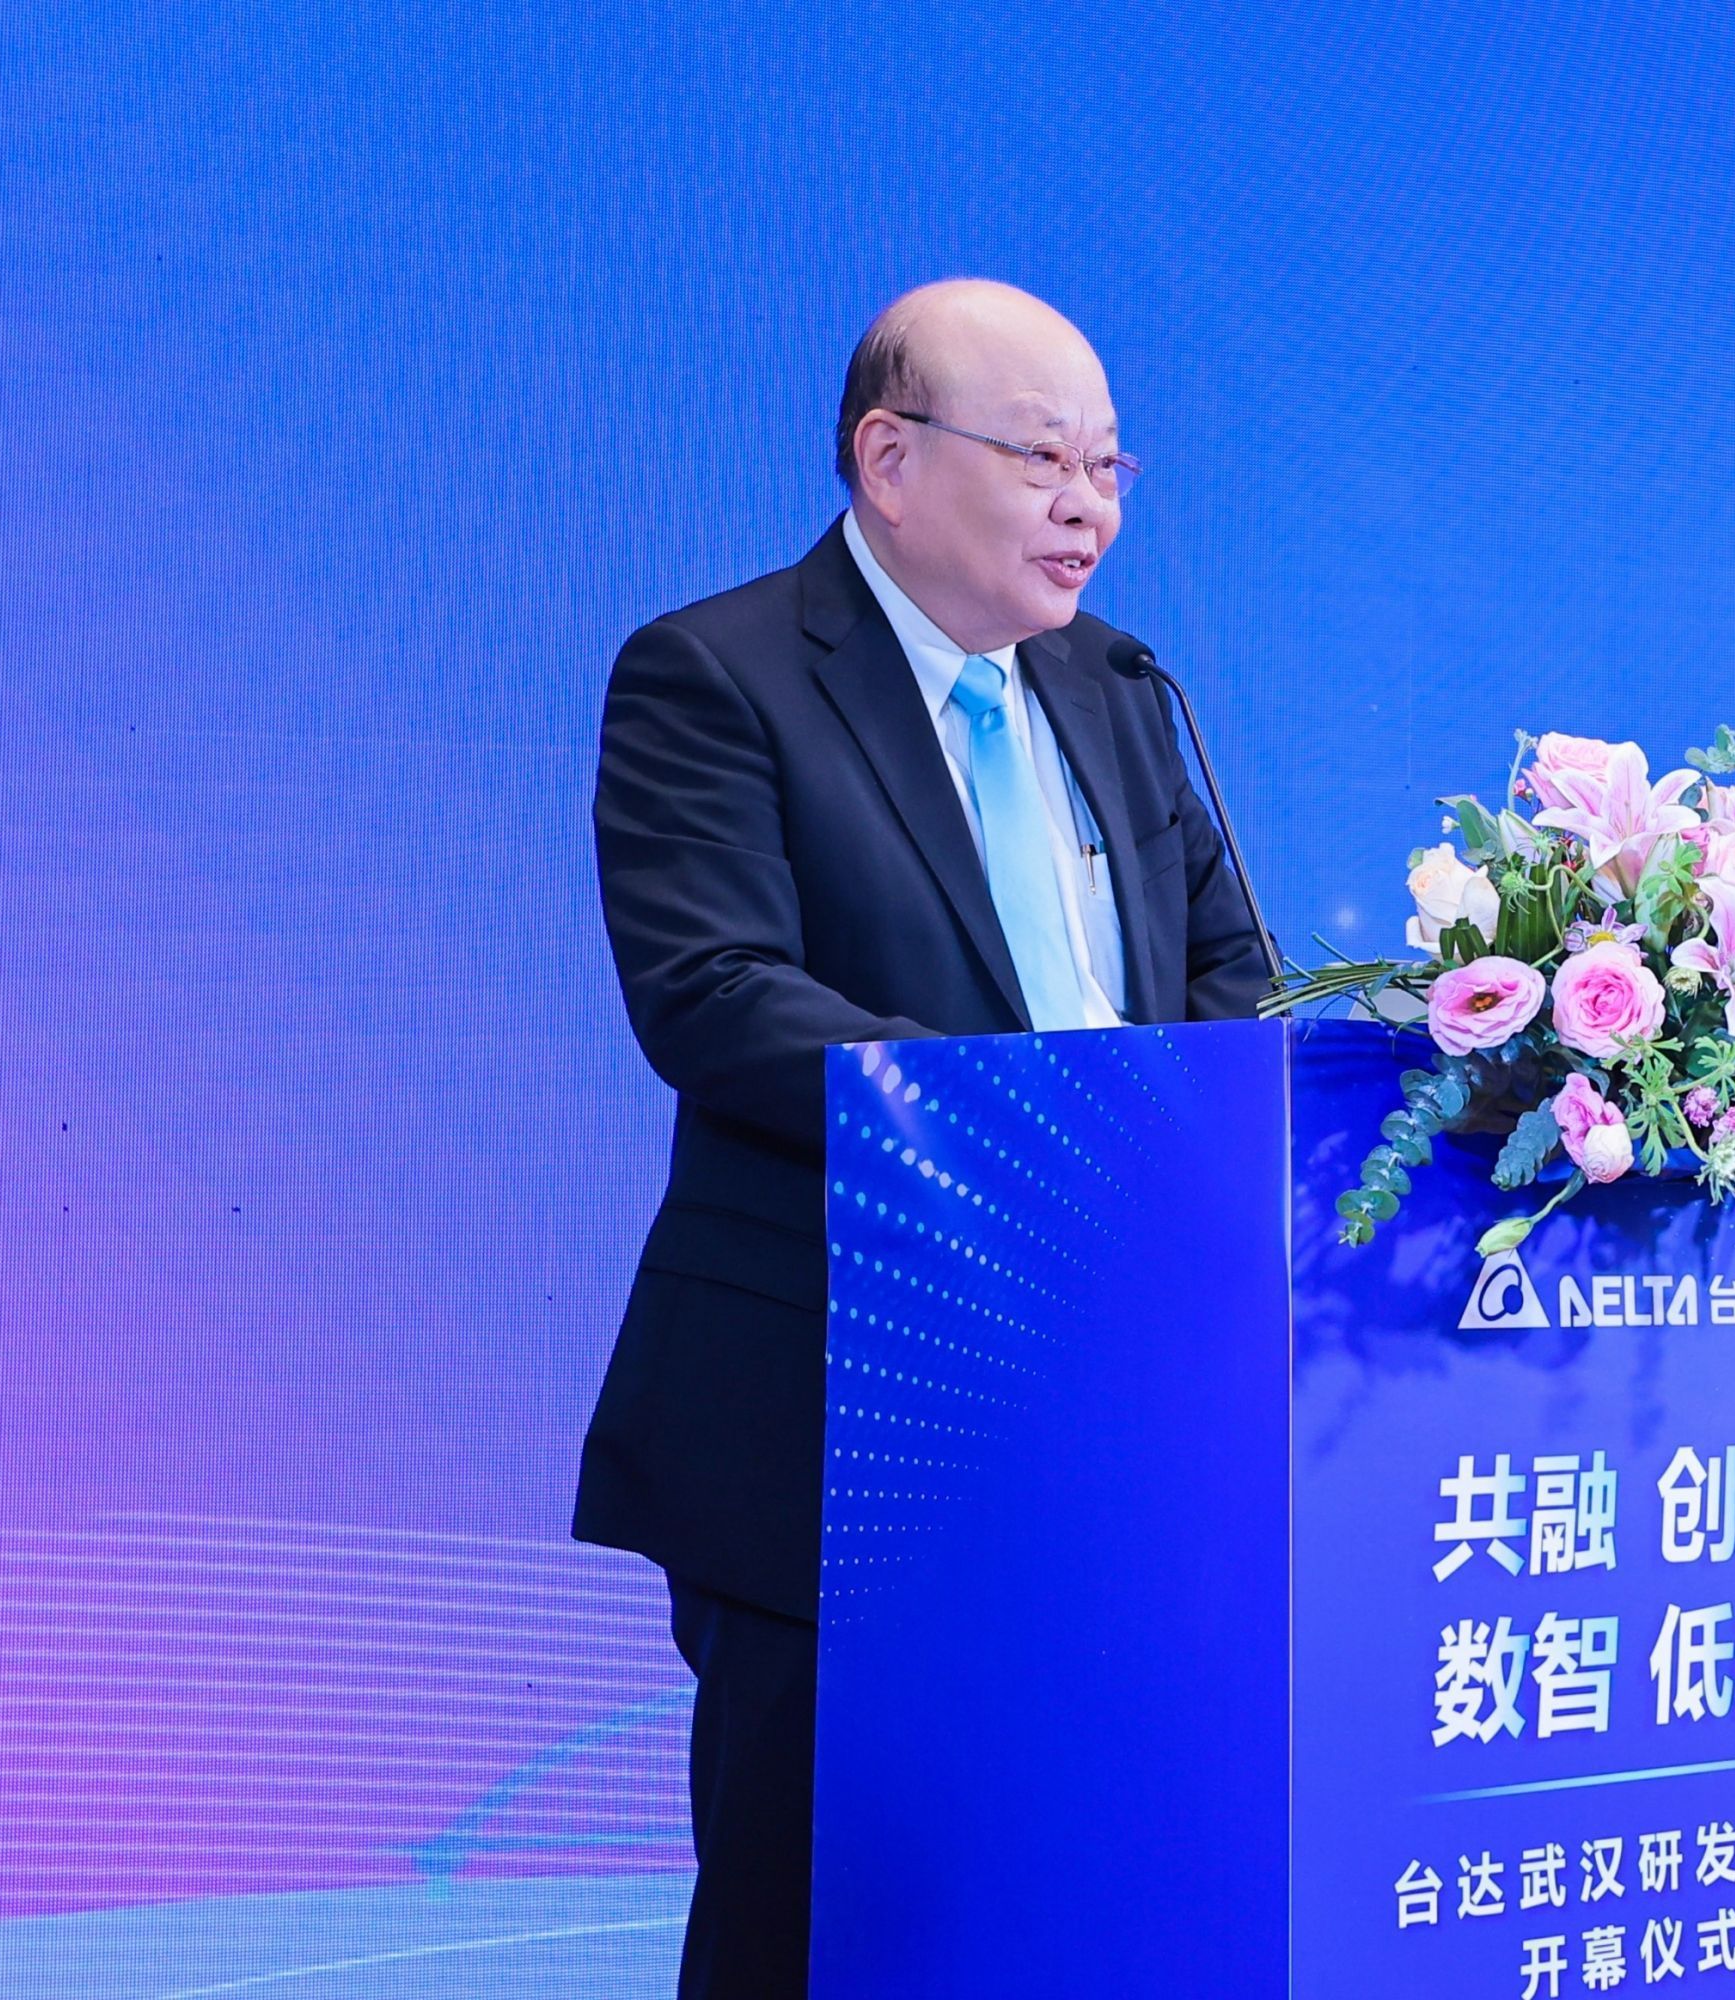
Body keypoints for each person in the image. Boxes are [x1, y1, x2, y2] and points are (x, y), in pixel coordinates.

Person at [573, 279, 1270, 1996]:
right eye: (1042, 459)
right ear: (889, 460)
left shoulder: (1117, 687)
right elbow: (716, 994)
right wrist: (1043, 1134)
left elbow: (1226, 984)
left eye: (1108, 465)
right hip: (841, 1423)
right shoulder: (717, 674)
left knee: (1074, 1908)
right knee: (819, 1926)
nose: (1088, 507)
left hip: (1115, 1418)